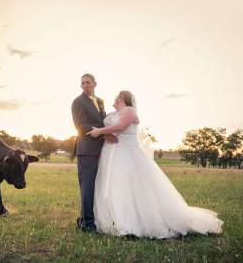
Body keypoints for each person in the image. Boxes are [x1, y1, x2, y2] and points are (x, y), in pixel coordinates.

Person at [88, 90, 224, 238]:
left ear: (122, 99)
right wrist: (105, 134)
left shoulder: (129, 111)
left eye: (117, 97)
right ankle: (114, 220)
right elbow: (112, 130)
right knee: (116, 187)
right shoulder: (111, 115)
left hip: (127, 154)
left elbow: (120, 127)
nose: (114, 99)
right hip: (110, 154)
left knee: (130, 185)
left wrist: (100, 131)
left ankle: (133, 223)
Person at [71, 73, 117, 232]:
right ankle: (88, 224)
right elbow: (80, 125)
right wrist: (104, 133)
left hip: (102, 148)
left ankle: (83, 219)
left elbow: (102, 121)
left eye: (88, 82)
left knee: (97, 185)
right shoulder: (78, 102)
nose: (85, 85)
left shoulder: (100, 101)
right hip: (87, 149)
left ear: (94, 83)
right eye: (82, 83)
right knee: (88, 186)